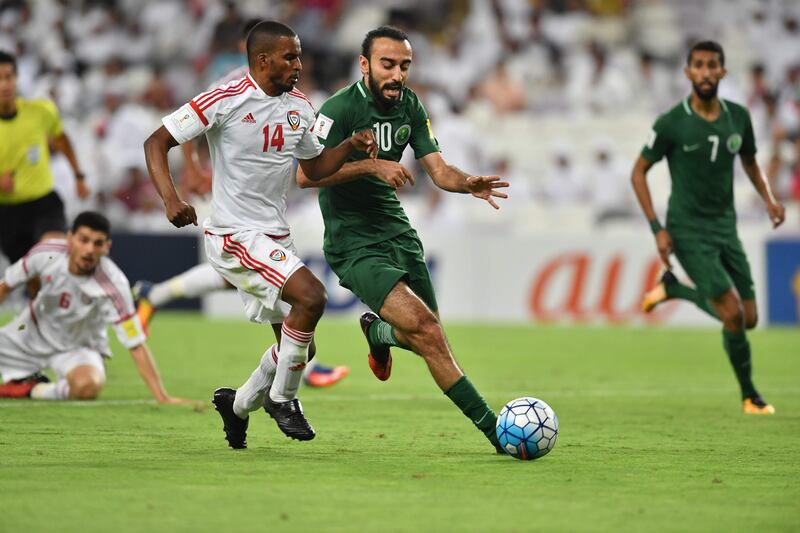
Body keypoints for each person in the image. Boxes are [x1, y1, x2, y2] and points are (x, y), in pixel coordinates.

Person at [143, 21, 376, 448]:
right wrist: (170, 199)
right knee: (313, 297)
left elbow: (315, 169)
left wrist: (348, 147)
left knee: (300, 349)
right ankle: (282, 400)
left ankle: (236, 406)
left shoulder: (301, 106)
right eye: (290, 57)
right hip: (234, 233)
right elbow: (157, 142)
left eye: (300, 56)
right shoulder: (226, 98)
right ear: (263, 59)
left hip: (274, 235)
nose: (299, 64)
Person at [296, 26, 509, 453]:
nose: (397, 75)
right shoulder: (338, 109)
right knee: (428, 332)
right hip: (353, 243)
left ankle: (379, 336)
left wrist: (467, 183)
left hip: (398, 233)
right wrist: (370, 167)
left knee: (430, 336)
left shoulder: (411, 106)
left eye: (405, 66)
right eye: (388, 64)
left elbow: (440, 170)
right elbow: (305, 175)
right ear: (365, 65)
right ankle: (497, 431)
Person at [632, 41, 785, 415]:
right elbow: (638, 172)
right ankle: (750, 396)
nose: (705, 72)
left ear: (722, 72)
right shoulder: (672, 122)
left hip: (725, 228)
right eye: (698, 65)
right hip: (687, 230)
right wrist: (657, 228)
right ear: (688, 73)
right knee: (731, 314)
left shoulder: (738, 116)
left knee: (748, 319)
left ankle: (674, 290)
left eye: (712, 65)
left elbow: (749, 160)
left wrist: (768, 198)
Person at [0, 212, 187, 404]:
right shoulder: (46, 253)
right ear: (70, 238)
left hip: (78, 348)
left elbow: (135, 344)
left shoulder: (113, 284)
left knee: (87, 386)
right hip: (30, 336)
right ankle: (26, 381)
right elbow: (5, 286)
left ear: (107, 247)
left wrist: (162, 397)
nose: (89, 250)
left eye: (98, 243)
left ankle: (34, 389)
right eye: (84, 240)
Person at [132, 272, 349, 387]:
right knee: (270, 278)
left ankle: (154, 294)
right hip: (241, 219)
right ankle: (305, 366)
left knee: (246, 277)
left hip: (257, 217)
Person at [0, 51, 89, 271]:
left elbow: (62, 139)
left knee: (52, 255)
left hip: (43, 203)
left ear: (17, 78)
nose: (4, 85)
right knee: (33, 279)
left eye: (9, 77)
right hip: (7, 213)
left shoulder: (41, 111)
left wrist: (78, 176)